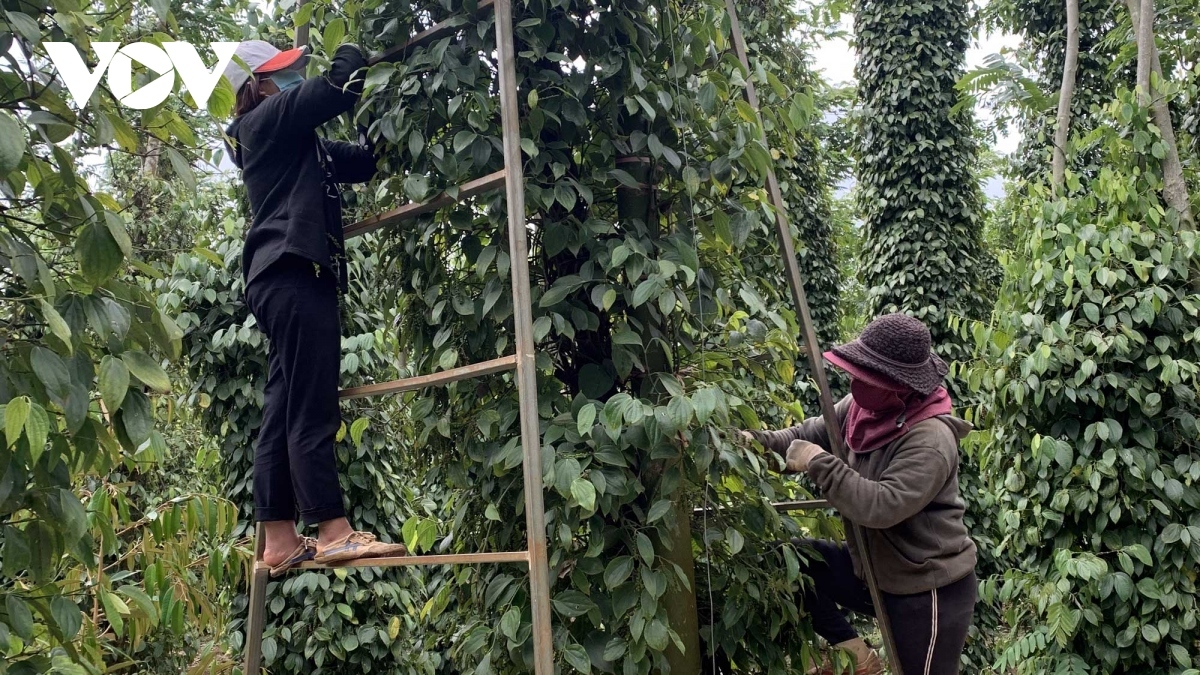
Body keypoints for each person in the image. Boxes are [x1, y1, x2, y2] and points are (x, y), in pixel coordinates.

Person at [222, 40, 406, 576]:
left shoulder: (300, 143)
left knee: (283, 406)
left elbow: (365, 162)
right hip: (294, 272)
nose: (295, 78)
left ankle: (278, 540)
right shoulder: (265, 119)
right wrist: (357, 51)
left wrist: (377, 113)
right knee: (312, 404)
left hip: (281, 277)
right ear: (256, 85)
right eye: (284, 72)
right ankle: (333, 531)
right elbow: (335, 88)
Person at [745, 314, 977, 675]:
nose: (854, 381)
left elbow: (880, 506)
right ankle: (859, 657)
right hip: (873, 572)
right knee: (794, 560)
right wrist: (744, 444)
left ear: (898, 384)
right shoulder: (861, 411)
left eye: (866, 375)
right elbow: (800, 435)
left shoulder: (930, 439)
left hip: (927, 591)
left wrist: (819, 461)